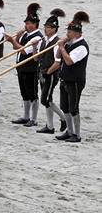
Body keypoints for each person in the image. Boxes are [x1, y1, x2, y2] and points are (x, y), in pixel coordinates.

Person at [5, 3, 43, 127]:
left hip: (31, 68)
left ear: (35, 25)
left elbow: (23, 50)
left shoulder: (37, 37)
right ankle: (26, 116)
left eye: (29, 24)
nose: (27, 25)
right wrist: (19, 35)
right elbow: (19, 46)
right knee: (24, 93)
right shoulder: (27, 35)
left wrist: (13, 41)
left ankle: (34, 118)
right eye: (26, 23)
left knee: (32, 93)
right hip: (21, 67)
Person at [55, 11, 90, 143]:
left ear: (77, 33)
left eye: (69, 32)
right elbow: (58, 56)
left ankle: (77, 134)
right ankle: (69, 131)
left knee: (73, 108)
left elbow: (69, 61)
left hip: (75, 81)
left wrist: (62, 48)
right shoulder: (69, 43)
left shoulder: (82, 47)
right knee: (65, 107)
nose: (67, 34)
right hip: (65, 79)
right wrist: (61, 46)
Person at [32, 9, 68, 134]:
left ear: (54, 29)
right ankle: (50, 126)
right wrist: (34, 47)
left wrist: (47, 73)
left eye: (48, 27)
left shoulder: (56, 43)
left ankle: (63, 119)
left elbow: (57, 63)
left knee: (45, 100)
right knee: (48, 100)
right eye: (45, 27)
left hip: (50, 75)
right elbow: (36, 58)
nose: (46, 29)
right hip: (42, 73)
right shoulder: (43, 41)